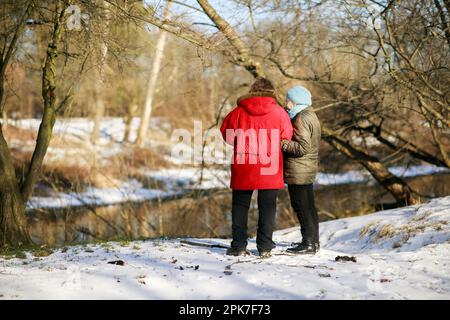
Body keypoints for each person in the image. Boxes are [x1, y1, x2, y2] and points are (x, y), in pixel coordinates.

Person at [220, 77, 293, 258]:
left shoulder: (238, 112)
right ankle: (265, 246)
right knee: (267, 207)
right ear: (272, 92)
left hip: (244, 163)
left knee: (240, 206)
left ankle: (238, 246)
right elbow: (287, 135)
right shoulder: (279, 113)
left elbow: (227, 136)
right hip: (270, 164)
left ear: (252, 90)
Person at [281, 86, 321, 254]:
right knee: (309, 207)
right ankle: (314, 242)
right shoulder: (311, 115)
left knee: (301, 207)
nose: (286, 104)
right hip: (307, 168)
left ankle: (308, 243)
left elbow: (302, 147)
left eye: (288, 100)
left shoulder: (300, 118)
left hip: (299, 169)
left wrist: (282, 142)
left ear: (296, 101)